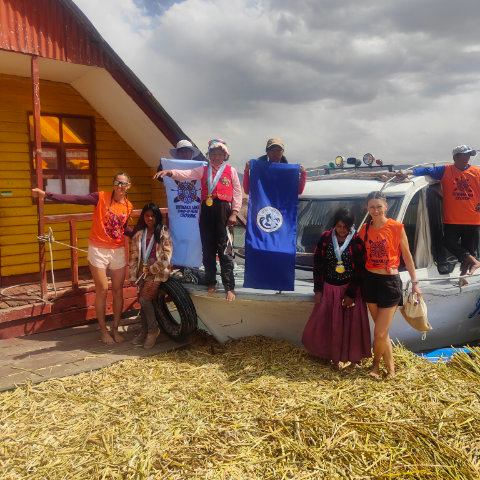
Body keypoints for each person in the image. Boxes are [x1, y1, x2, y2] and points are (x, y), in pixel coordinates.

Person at [32, 173, 133, 345]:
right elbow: (76, 198)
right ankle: (103, 331)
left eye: (124, 183)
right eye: (117, 182)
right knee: (102, 289)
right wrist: (47, 195)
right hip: (98, 249)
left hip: (117, 251)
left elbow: (124, 228)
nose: (120, 186)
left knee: (118, 290)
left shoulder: (128, 206)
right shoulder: (100, 197)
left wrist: (146, 230)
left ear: (128, 186)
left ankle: (115, 328)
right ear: (113, 184)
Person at [156, 139, 242, 301]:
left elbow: (237, 193)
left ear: (225, 155)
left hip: (224, 210)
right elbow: (186, 175)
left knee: (225, 251)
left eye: (219, 154)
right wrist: (170, 173)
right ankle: (211, 281)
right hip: (207, 211)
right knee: (208, 249)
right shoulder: (203, 169)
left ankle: (229, 287)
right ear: (209, 155)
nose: (216, 157)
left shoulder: (231, 171)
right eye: (213, 154)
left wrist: (234, 213)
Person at [358, 191, 421, 379]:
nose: (375, 210)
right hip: (370, 281)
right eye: (372, 207)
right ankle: (391, 370)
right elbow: (354, 252)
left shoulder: (396, 227)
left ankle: (375, 367)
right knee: (381, 332)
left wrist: (415, 283)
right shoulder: (365, 230)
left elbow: (407, 256)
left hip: (389, 283)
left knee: (379, 332)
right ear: (367, 208)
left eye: (379, 206)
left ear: (386, 207)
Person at [398, 145, 480, 281]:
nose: (467, 158)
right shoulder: (446, 170)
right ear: (455, 157)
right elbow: (426, 170)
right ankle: (473, 262)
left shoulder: (477, 172)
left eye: (469, 155)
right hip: (452, 219)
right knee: (448, 243)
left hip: (473, 219)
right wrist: (408, 172)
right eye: (464, 155)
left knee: (467, 251)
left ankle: (465, 277)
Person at [302, 208, 371, 368]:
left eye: (345, 227)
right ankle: (333, 358)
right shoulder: (326, 238)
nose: (342, 230)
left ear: (350, 226)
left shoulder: (356, 240)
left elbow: (361, 269)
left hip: (349, 290)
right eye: (339, 226)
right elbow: (318, 264)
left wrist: (351, 294)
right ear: (335, 225)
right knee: (329, 324)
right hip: (330, 289)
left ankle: (353, 359)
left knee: (351, 326)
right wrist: (318, 290)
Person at [129, 203, 172, 349]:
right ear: (143, 217)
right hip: (142, 273)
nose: (149, 218)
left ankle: (153, 330)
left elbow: (166, 257)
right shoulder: (139, 235)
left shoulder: (163, 233)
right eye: (147, 215)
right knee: (143, 302)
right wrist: (133, 276)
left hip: (158, 273)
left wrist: (153, 268)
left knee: (144, 300)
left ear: (157, 217)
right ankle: (144, 330)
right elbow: (134, 257)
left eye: (152, 215)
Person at [243, 137, 307, 194]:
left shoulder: (288, 173)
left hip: (281, 207)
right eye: (272, 150)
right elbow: (247, 191)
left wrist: (303, 173)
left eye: (278, 150)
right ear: (267, 152)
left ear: (282, 152)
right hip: (263, 207)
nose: (275, 153)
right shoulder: (259, 171)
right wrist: (246, 171)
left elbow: (298, 191)